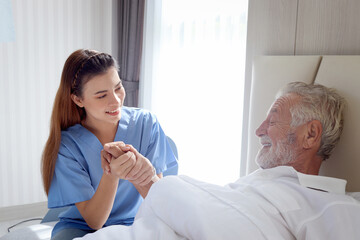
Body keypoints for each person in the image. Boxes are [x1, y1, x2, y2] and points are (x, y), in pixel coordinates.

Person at [78, 82, 360, 240]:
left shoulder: (332, 204)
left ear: (310, 134)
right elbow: (197, 215)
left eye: (272, 120)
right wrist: (145, 177)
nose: (259, 130)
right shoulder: (248, 186)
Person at [41, 49, 178, 240]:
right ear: (78, 99)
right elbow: (94, 221)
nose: (116, 101)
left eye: (118, 88)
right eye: (101, 95)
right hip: (82, 228)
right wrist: (111, 175)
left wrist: (142, 174)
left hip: (137, 220)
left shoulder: (146, 123)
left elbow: (157, 199)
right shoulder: (67, 145)